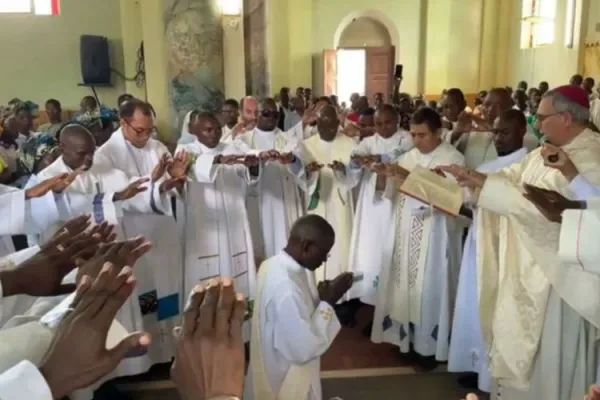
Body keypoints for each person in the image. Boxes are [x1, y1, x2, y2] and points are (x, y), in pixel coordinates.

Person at [440, 85, 600, 400]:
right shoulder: (546, 150)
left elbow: (563, 213)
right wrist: (477, 179)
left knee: (552, 364)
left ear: (566, 118)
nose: (536, 126)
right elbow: (516, 178)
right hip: (527, 273)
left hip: (559, 285)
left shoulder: (592, 156)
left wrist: (491, 191)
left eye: (542, 118)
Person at [93, 99, 185, 373]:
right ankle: (147, 353)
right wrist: (154, 180)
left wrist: (173, 180)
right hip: (134, 237)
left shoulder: (156, 147)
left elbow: (166, 188)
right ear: (123, 123)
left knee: (167, 290)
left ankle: (168, 347)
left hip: (163, 234)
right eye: (140, 131)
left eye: (150, 130)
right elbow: (122, 193)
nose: (146, 136)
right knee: (147, 294)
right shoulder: (105, 155)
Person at [371, 107, 465, 371]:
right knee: (405, 288)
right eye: (412, 134)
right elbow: (391, 194)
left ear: (438, 132)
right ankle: (407, 342)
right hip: (405, 231)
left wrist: (409, 178)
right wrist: (384, 175)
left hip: (435, 238)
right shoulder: (408, 157)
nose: (416, 140)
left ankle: (428, 349)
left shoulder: (453, 159)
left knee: (430, 290)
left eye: (422, 135)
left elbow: (456, 200)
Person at [448, 109, 530, 392]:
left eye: (504, 132)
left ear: (522, 131)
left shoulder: (527, 165)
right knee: (475, 303)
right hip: (479, 242)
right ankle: (476, 366)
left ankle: (489, 378)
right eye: (494, 132)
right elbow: (473, 205)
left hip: (504, 251)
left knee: (494, 306)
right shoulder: (492, 164)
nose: (498, 138)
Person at [246, 215, 354, 400]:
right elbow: (304, 349)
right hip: (285, 380)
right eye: (324, 253)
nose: (325, 260)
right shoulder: (286, 287)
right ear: (306, 246)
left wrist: (318, 299)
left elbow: (294, 318)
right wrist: (328, 303)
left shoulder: (272, 264)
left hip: (272, 363)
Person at [175, 111, 258, 340]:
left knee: (235, 276)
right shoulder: (186, 152)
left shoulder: (232, 148)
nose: (213, 134)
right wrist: (219, 161)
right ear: (194, 131)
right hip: (205, 230)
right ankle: (203, 333)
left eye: (216, 129)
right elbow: (193, 170)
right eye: (207, 130)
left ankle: (240, 332)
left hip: (234, 227)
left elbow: (248, 179)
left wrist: (251, 166)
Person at [347, 104, 413, 308]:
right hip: (370, 203)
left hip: (394, 201)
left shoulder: (406, 138)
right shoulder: (369, 141)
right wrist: (358, 160)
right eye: (378, 124)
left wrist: (375, 159)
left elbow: (398, 154)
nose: (383, 128)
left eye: (387, 123)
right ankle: (369, 298)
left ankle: (390, 301)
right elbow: (355, 157)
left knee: (390, 244)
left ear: (397, 121)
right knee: (370, 246)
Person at [233, 98, 306, 261]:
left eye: (275, 115)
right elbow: (238, 171)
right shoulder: (244, 140)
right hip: (258, 202)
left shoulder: (289, 139)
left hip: (285, 202)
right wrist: (258, 161)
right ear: (256, 115)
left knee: (285, 247)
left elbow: (302, 169)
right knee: (261, 250)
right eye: (266, 113)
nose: (271, 118)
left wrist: (292, 160)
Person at [294, 105, 357, 289]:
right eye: (323, 127)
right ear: (317, 124)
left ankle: (342, 289)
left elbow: (355, 177)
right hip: (318, 201)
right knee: (315, 239)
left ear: (338, 123)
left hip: (340, 200)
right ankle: (316, 286)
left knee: (341, 241)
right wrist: (309, 173)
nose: (328, 131)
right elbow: (300, 178)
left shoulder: (350, 144)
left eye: (332, 127)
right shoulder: (307, 146)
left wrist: (343, 171)